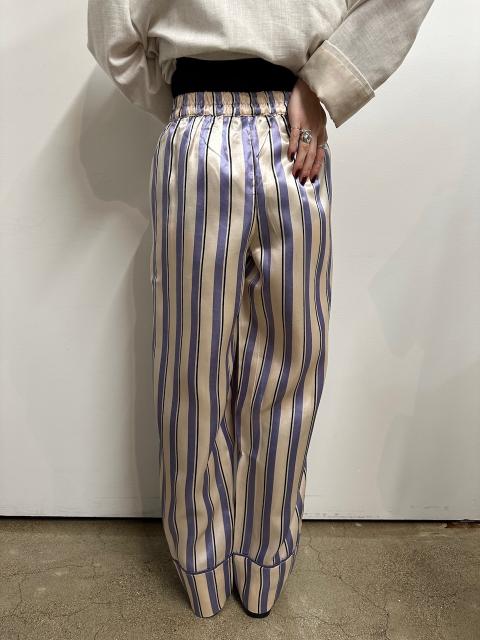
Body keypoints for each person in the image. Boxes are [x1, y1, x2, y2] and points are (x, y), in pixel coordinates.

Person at [87, 0, 435, 619]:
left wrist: (321, 82)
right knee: (269, 361)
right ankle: (255, 561)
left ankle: (214, 559)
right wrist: (321, 82)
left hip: (251, 128)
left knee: (204, 363)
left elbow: (113, 35)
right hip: (276, 129)